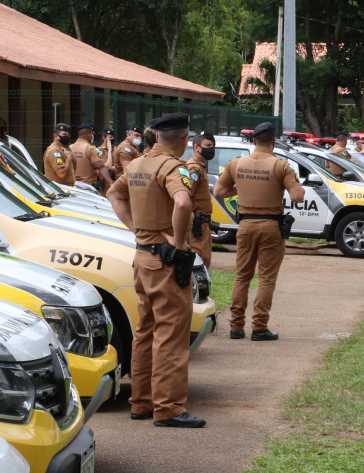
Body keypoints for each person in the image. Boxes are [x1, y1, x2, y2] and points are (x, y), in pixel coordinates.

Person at [106, 112, 206, 429]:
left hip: (143, 258)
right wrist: (179, 240)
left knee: (145, 332)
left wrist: (136, 229)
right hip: (165, 262)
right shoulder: (173, 167)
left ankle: (141, 402)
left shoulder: (137, 164)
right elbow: (182, 203)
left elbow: (113, 194)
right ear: (184, 139)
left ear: (158, 137)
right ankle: (168, 408)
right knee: (171, 335)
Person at [213, 122, 305, 342]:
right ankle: (259, 327)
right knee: (266, 278)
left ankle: (236, 327)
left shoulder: (236, 164)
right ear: (274, 141)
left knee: (242, 276)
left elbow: (218, 191)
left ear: (254, 140)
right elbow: (297, 196)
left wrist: (242, 187)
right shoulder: (281, 165)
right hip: (271, 227)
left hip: (245, 226)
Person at [187, 131, 216, 267]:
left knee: (204, 261)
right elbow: (187, 194)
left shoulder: (200, 167)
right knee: (199, 263)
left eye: (213, 145)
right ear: (196, 147)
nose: (211, 148)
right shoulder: (194, 168)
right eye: (208, 145)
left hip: (203, 225)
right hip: (197, 226)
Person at [71, 122, 113, 195]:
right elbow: (101, 167)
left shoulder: (69, 148)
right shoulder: (90, 149)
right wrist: (111, 182)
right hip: (87, 188)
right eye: (92, 134)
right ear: (89, 135)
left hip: (72, 187)